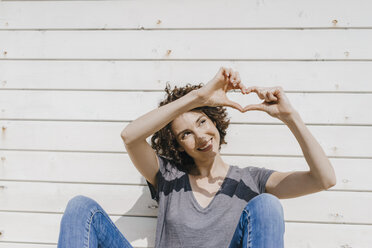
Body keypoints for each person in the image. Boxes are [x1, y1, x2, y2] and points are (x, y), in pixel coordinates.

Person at [57, 67, 337, 248]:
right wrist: (198, 96)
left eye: (202, 121)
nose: (200, 136)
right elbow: (130, 136)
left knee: (267, 205)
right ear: (178, 145)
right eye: (186, 134)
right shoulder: (167, 177)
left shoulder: (252, 180)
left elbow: (324, 179)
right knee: (81, 208)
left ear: (215, 122)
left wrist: (290, 117)